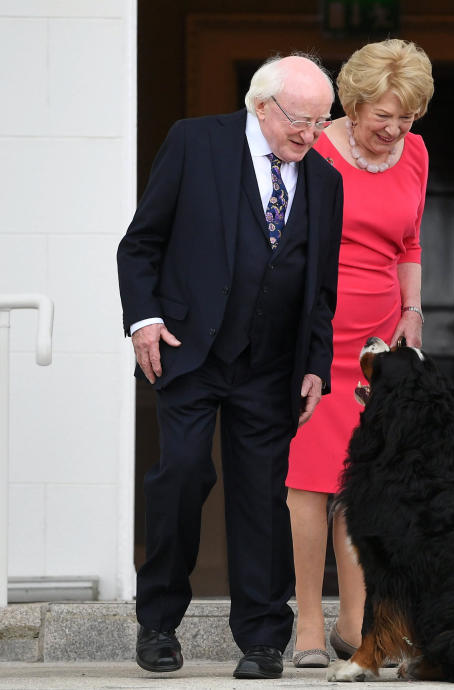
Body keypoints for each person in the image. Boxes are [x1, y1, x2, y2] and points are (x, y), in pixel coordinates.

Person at [116, 54, 343, 680]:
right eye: (302, 121)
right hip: (190, 351)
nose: (312, 135)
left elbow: (321, 289)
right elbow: (141, 243)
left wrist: (315, 364)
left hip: (272, 365)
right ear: (262, 106)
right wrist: (144, 320)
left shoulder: (325, 180)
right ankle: (158, 623)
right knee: (183, 475)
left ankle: (263, 638)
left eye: (323, 123)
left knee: (263, 498)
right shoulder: (194, 142)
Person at [284, 39, 433, 668]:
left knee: (361, 480)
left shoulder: (416, 153)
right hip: (314, 328)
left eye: (406, 117)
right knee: (308, 481)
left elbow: (409, 242)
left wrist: (413, 311)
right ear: (354, 102)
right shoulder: (316, 147)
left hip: (376, 335)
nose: (394, 129)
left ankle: (357, 622)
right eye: (383, 116)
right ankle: (310, 625)